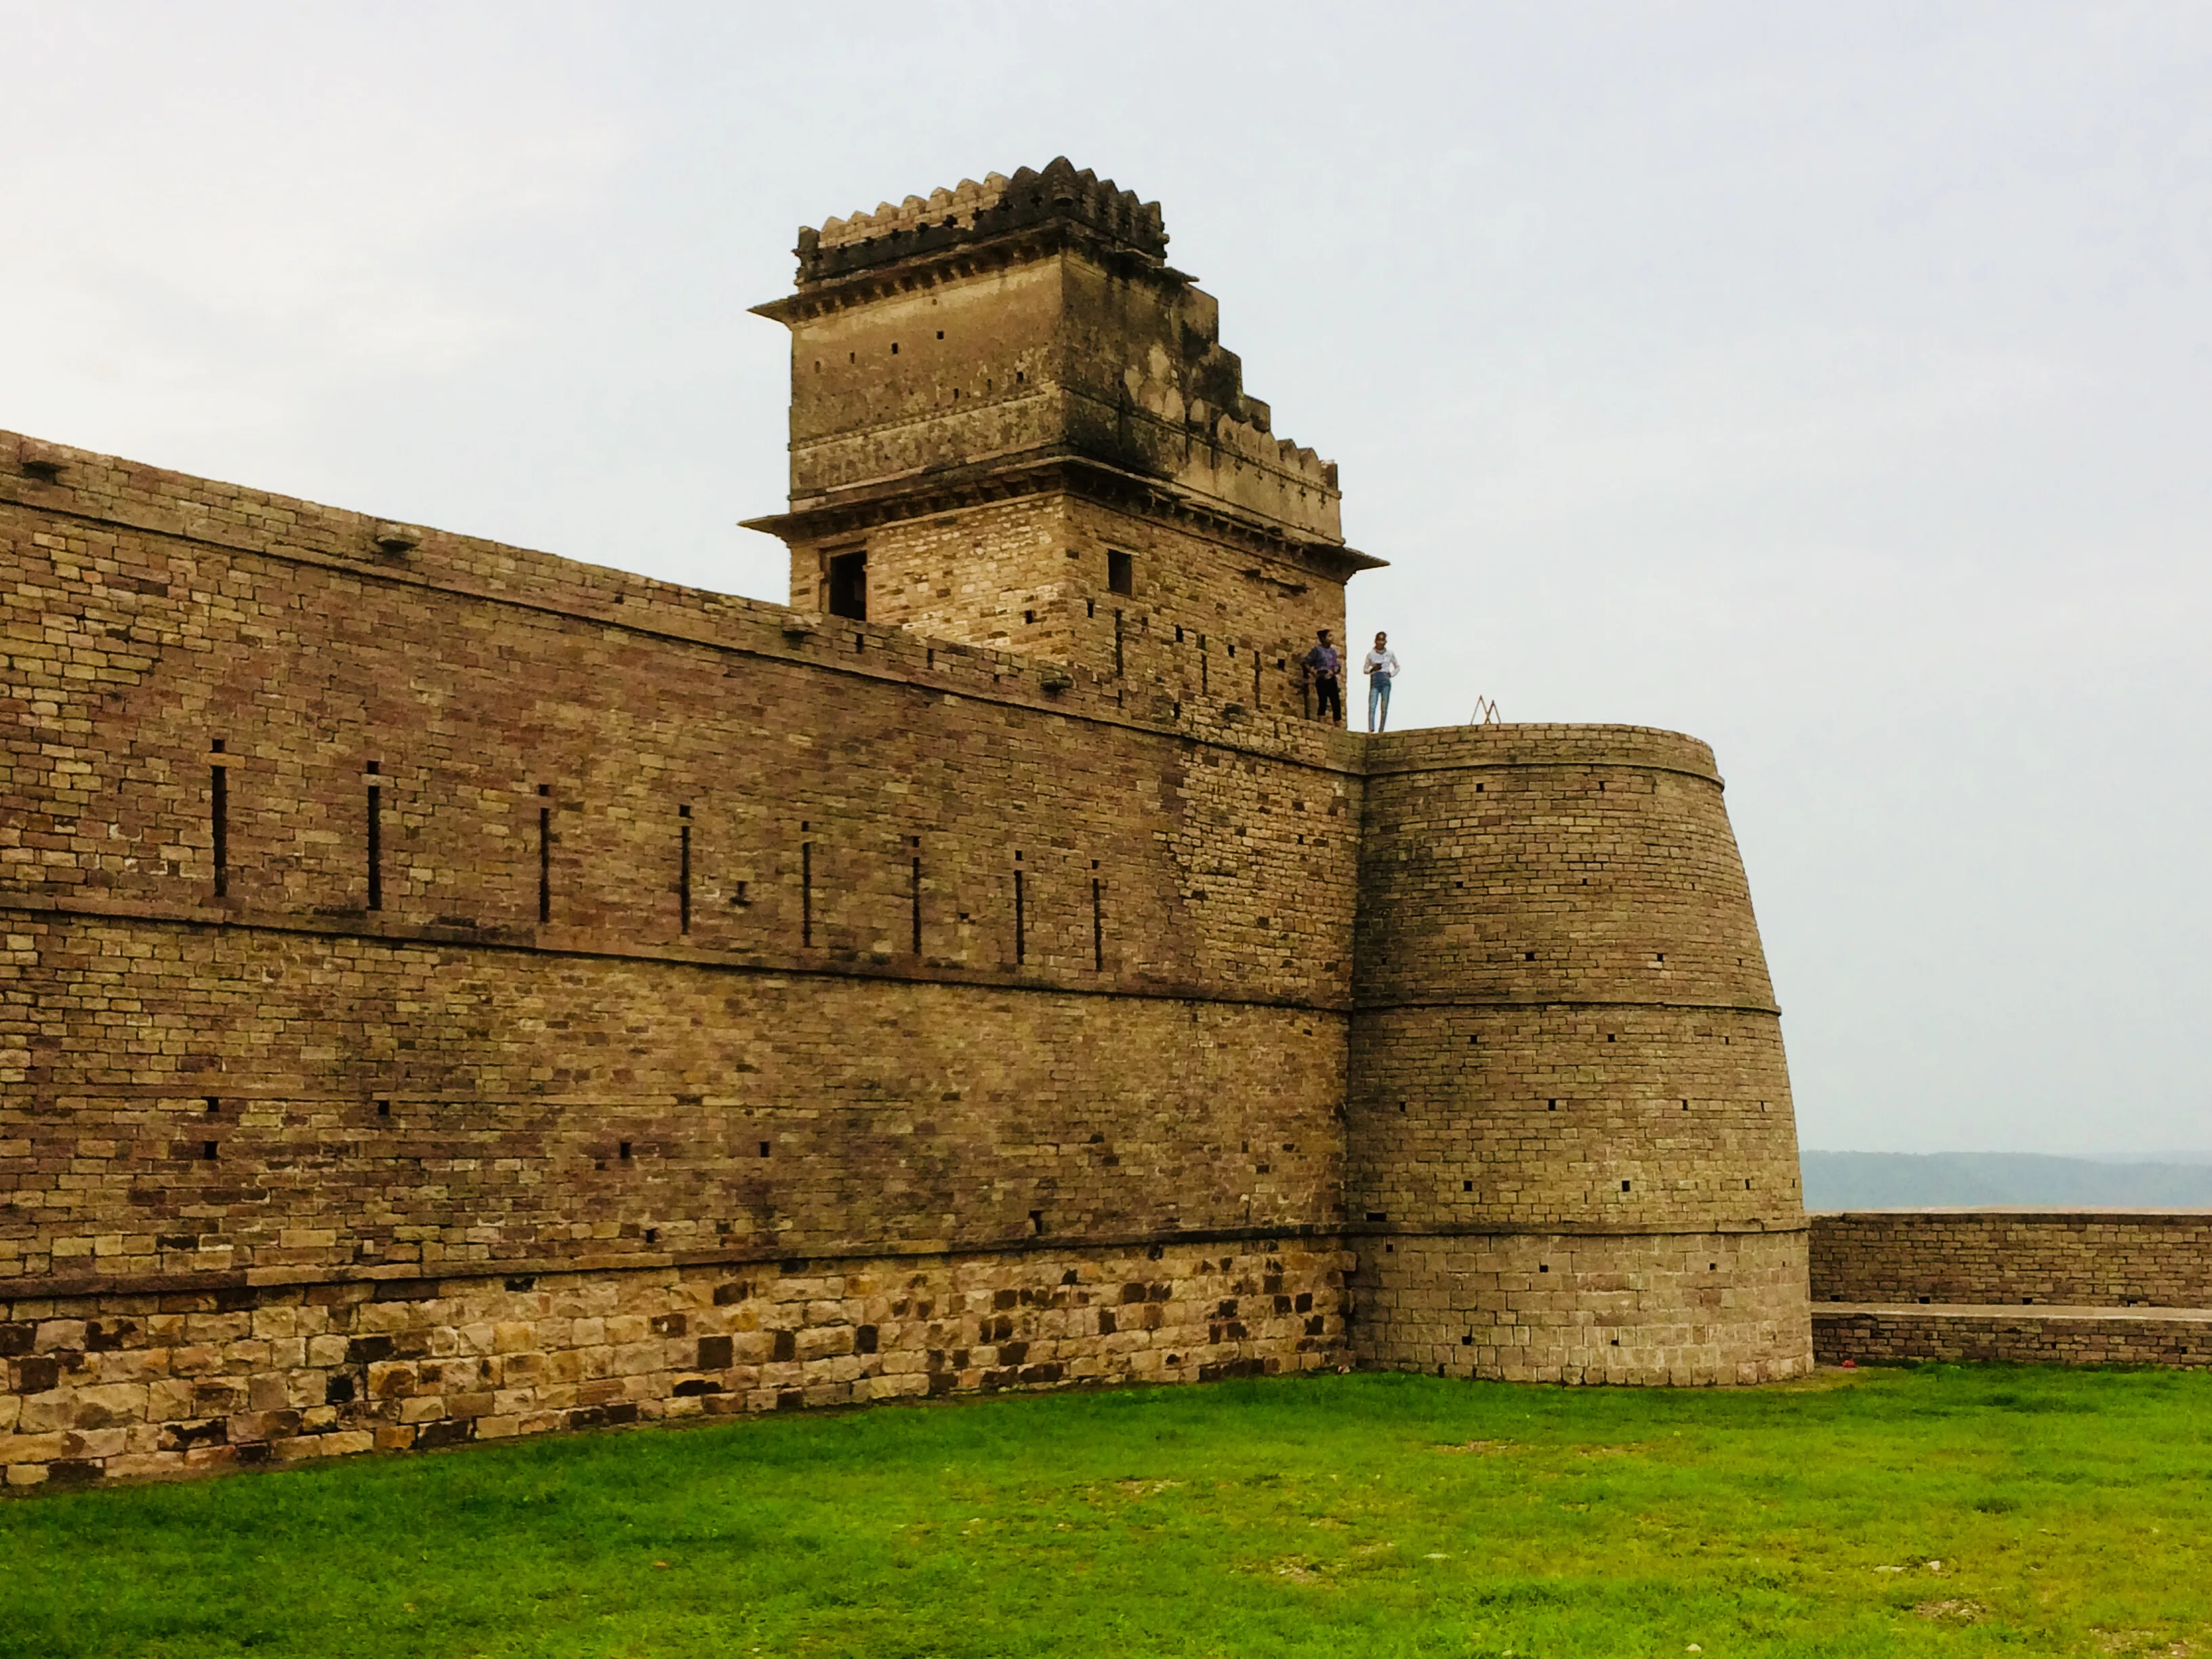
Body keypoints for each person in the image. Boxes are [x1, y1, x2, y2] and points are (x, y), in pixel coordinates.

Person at [1303, 628, 1343, 724]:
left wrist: (1334, 671)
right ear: (1324, 639)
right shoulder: (1317, 650)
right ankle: (1321, 720)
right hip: (1321, 676)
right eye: (1329, 636)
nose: (1332, 638)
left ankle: (1337, 722)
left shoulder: (1333, 652)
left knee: (1335, 700)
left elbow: (1336, 665)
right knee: (1323, 699)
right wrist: (1313, 672)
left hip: (1331, 676)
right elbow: (1306, 662)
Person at [1363, 631, 1399, 732]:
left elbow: (1397, 667)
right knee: (1372, 705)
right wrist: (1372, 669)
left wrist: (1391, 674)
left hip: (1385, 681)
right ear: (1375, 641)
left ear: (1385, 642)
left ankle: (1381, 729)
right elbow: (1365, 670)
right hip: (1375, 680)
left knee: (1384, 707)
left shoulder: (1390, 653)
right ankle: (1371, 728)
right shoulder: (1371, 654)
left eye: (1382, 640)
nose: (1380, 642)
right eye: (1379, 640)